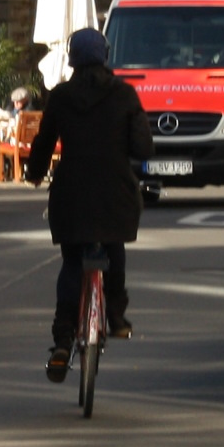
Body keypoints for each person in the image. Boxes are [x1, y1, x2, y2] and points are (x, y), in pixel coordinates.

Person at [26, 28, 154, 379]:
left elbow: (44, 142)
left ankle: (63, 338)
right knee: (113, 246)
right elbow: (143, 148)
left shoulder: (61, 96)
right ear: (105, 56)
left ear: (72, 59)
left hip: (72, 193)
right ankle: (116, 316)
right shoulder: (124, 94)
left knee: (72, 261)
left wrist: (34, 173)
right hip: (115, 192)